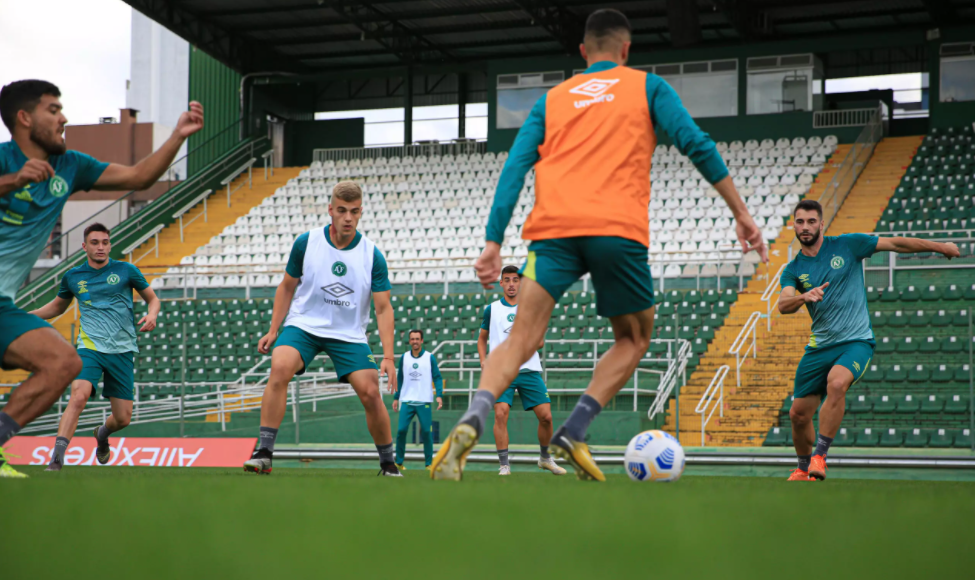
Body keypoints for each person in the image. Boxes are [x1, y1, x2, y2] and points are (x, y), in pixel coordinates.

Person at [431, 9, 765, 481]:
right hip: (616, 229)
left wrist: (492, 241)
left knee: (521, 339)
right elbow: (696, 142)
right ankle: (575, 429)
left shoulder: (553, 99)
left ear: (583, 52)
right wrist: (742, 213)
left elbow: (514, 168)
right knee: (634, 337)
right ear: (626, 50)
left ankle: (475, 416)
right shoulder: (646, 86)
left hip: (551, 231)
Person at [0, 80, 203, 478]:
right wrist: (14, 181)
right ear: (25, 118)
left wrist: (178, 136)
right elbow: (59, 303)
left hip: (3, 306)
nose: (64, 118)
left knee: (62, 363)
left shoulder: (70, 166)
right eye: (53, 110)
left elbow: (140, 176)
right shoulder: (2, 160)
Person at [779, 199, 959, 481]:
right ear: (794, 224)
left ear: (822, 224)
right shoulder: (793, 269)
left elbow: (896, 244)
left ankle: (820, 457)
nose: (805, 227)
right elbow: (783, 303)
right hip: (818, 348)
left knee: (837, 383)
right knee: (798, 415)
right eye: (800, 222)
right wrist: (805, 296)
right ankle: (803, 469)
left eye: (811, 221)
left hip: (856, 341)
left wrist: (940, 247)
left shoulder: (848, 245)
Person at [243, 181, 401, 476]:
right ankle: (264, 452)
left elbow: (383, 308)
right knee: (280, 366)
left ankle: (388, 463)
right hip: (305, 324)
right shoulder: (307, 242)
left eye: (354, 211)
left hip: (348, 333)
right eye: (341, 210)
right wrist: (273, 329)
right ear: (331, 209)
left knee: (370, 391)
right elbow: (286, 287)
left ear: (361, 212)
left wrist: (389, 357)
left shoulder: (372, 255)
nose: (348, 218)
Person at [29, 223, 160, 471]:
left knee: (123, 418)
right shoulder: (73, 276)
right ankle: (56, 458)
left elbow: (153, 299)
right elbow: (57, 307)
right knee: (78, 397)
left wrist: (152, 314)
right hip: (89, 347)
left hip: (122, 350)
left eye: (105, 242)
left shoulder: (127, 270)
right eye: (95, 242)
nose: (101, 247)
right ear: (84, 246)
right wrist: (24, 315)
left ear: (110, 244)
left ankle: (102, 434)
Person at [478, 266, 565, 476]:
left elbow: (541, 341)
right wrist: (483, 361)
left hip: (529, 368)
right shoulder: (491, 309)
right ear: (500, 283)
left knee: (546, 417)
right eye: (506, 280)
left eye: (515, 280)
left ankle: (545, 458)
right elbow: (482, 339)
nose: (511, 284)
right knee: (501, 414)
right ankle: (504, 465)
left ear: (521, 283)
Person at [392, 329, 443, 471]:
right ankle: (399, 462)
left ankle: (428, 464)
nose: (415, 341)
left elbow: (437, 377)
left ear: (422, 341)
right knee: (401, 431)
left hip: (424, 401)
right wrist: (396, 397)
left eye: (417, 339)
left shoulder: (429, 357)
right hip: (407, 401)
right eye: (412, 339)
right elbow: (400, 378)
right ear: (409, 341)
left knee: (427, 432)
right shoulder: (404, 357)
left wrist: (439, 395)